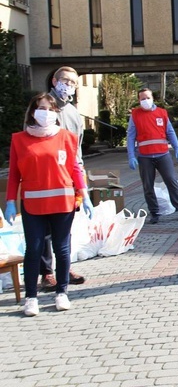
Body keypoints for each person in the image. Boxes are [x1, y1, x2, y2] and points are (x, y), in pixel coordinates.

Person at [5, 93, 94, 316]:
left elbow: (74, 168)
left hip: (62, 202)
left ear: (56, 112)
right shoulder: (20, 139)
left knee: (62, 249)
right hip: (33, 205)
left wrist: (84, 194)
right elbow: (14, 174)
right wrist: (9, 202)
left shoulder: (67, 137)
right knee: (33, 249)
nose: (45, 113)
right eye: (41, 108)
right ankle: (31, 298)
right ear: (33, 112)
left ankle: (61, 292)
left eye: (50, 109)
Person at [39, 67, 88, 291]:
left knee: (64, 227)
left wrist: (81, 180)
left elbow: (77, 148)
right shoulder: (42, 107)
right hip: (46, 176)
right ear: (55, 80)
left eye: (73, 82)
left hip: (68, 177)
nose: (69, 85)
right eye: (65, 80)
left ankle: (63, 267)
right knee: (45, 229)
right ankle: (46, 273)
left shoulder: (73, 112)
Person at [127, 88, 178, 225]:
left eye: (147, 97)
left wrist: (177, 149)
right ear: (139, 100)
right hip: (145, 157)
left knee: (171, 181)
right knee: (147, 186)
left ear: (152, 98)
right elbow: (131, 136)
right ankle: (154, 212)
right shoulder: (135, 115)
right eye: (142, 98)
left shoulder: (161, 113)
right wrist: (131, 155)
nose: (145, 100)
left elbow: (170, 132)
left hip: (163, 154)